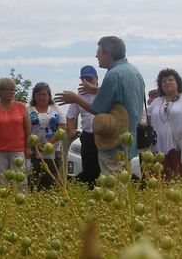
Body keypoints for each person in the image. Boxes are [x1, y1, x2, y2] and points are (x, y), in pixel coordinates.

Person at [56, 36, 145, 175]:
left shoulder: (113, 74)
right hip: (129, 139)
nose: (96, 55)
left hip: (113, 140)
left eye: (99, 52)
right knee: (122, 181)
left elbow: (97, 109)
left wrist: (75, 98)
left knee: (111, 184)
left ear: (107, 53)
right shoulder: (134, 72)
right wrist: (96, 90)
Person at [0, 77, 31, 186]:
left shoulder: (22, 107)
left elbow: (28, 129)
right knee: (0, 182)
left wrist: (28, 147)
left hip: (18, 150)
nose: (11, 92)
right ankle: (2, 203)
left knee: (20, 182)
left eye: (13, 90)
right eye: (7, 90)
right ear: (0, 92)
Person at [66, 65, 101, 187]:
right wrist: (71, 130)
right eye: (83, 79)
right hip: (88, 137)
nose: (86, 82)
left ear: (97, 79)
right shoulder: (78, 96)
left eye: (89, 79)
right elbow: (70, 116)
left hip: (105, 136)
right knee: (89, 171)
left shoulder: (103, 93)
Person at [28, 82, 66, 190]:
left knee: (52, 178)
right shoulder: (28, 110)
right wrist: (36, 144)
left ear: (49, 96)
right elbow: (24, 128)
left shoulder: (55, 109)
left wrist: (51, 142)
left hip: (53, 149)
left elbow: (62, 127)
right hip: (35, 149)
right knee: (35, 178)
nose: (41, 97)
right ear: (34, 96)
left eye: (44, 94)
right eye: (39, 94)